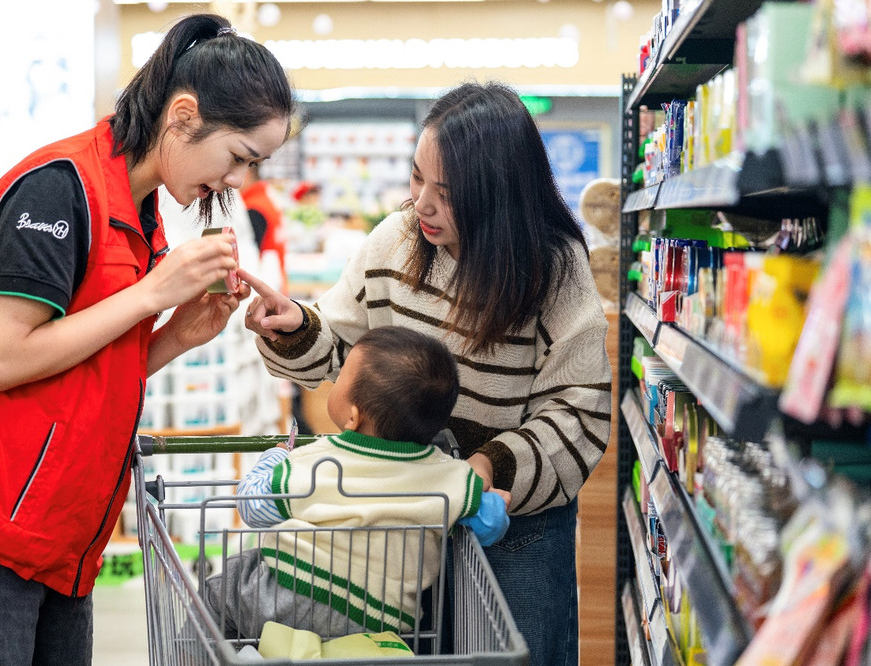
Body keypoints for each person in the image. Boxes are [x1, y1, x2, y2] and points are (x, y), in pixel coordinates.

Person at [0, 14, 292, 665]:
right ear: (183, 116)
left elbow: (89, 369)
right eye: (239, 157)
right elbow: (5, 359)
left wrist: (175, 336)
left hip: (58, 545)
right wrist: (153, 295)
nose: (238, 181)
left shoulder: (140, 214)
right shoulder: (57, 189)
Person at [239, 81, 612, 666]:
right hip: (397, 529)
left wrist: (486, 469)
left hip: (514, 531)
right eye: (418, 178)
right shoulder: (394, 242)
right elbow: (345, 354)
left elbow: (578, 414)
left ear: (500, 195)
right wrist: (295, 328)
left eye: (449, 192)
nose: (423, 205)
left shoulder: (554, 271)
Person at [204, 326, 510, 639]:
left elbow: (253, 508)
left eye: (342, 376)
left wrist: (274, 457)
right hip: (382, 622)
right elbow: (491, 524)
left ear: (353, 416)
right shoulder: (451, 475)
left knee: (220, 590)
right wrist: (495, 503)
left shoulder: (317, 460)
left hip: (289, 596)